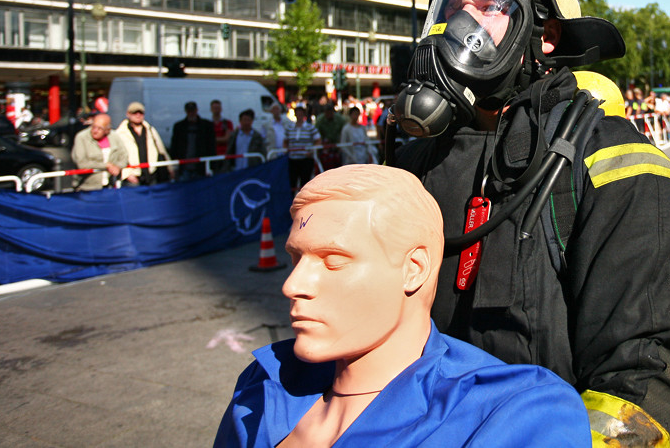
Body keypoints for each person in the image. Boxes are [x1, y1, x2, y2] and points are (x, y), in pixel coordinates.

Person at [387, 0, 670, 445]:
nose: (459, 23)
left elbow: (641, 375)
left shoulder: (615, 163)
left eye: (486, 6)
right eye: (449, 6)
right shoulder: (415, 160)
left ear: (545, 34)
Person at [214, 164, 590, 447]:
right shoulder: (264, 380)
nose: (292, 285)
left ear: (414, 270)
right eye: (297, 259)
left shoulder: (512, 415)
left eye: (332, 261)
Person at [117, 101, 172, 186]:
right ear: (128, 114)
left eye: (141, 113)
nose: (138, 115)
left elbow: (162, 150)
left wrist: (171, 168)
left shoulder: (150, 130)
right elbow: (117, 156)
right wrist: (126, 174)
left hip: (151, 174)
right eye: (134, 113)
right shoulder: (120, 133)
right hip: (133, 177)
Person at [70, 113, 128, 191]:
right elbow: (82, 163)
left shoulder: (114, 137)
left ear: (107, 130)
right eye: (93, 127)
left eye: (100, 128)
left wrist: (118, 167)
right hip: (87, 188)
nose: (95, 131)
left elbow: (124, 156)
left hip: (110, 186)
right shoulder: (81, 137)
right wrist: (106, 165)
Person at [169, 101, 216, 181]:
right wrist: (174, 166)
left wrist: (211, 166)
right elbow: (174, 146)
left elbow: (211, 146)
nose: (191, 113)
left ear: (196, 110)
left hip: (201, 167)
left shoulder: (207, 125)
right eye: (189, 111)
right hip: (184, 167)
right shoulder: (179, 127)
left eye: (193, 111)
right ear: (186, 112)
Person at [286, 105, 321, 190]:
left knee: (305, 183)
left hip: (306, 159)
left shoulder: (310, 127)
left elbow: (318, 140)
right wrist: (286, 151)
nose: (299, 115)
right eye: (297, 113)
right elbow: (285, 140)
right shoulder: (290, 127)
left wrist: (312, 151)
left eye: (301, 113)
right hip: (293, 159)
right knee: (292, 183)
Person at [210, 99, 235, 173]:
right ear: (211, 109)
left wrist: (213, 140)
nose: (216, 110)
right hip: (213, 156)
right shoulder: (208, 124)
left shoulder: (227, 123)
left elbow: (227, 138)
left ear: (221, 109)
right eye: (214, 108)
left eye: (218, 108)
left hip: (225, 155)